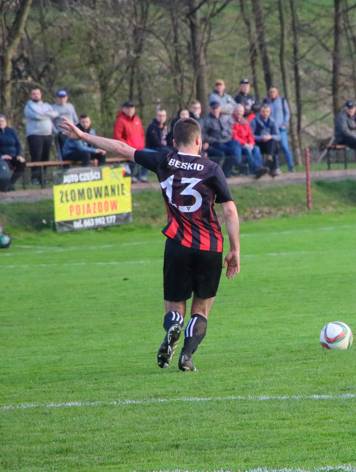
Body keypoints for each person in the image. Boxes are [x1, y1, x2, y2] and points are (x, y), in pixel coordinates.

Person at [58, 117, 240, 373]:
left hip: (178, 243)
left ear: (174, 142)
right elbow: (230, 211)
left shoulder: (164, 161)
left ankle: (174, 323)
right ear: (199, 140)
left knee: (175, 306)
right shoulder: (212, 168)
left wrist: (83, 136)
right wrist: (235, 250)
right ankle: (187, 356)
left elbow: (121, 147)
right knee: (201, 308)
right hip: (210, 246)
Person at [24, 87, 60, 184]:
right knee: (36, 156)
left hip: (47, 135)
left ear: (41, 95)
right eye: (33, 94)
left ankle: (43, 178)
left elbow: (55, 113)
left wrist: (44, 114)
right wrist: (47, 115)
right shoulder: (29, 106)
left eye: (37, 93)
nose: (36, 95)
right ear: (31, 95)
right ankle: (35, 178)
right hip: (35, 135)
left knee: (45, 157)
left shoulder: (46, 105)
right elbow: (36, 116)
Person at [201, 100, 242, 177]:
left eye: (217, 108)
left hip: (226, 141)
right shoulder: (205, 120)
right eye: (213, 108)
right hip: (215, 143)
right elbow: (202, 133)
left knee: (235, 143)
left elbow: (230, 130)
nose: (215, 110)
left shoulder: (224, 119)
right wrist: (206, 140)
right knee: (228, 151)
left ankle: (237, 162)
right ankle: (225, 172)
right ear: (210, 109)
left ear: (220, 109)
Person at [0, 114, 26, 191]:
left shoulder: (11, 131)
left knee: (22, 163)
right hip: (0, 156)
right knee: (4, 165)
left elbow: (17, 144)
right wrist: (1, 156)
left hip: (13, 155)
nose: (0, 123)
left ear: (6, 122)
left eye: (2, 121)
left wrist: (18, 155)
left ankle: (11, 183)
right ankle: (5, 186)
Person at [231, 104, 269, 178]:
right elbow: (234, 136)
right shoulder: (231, 122)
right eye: (237, 111)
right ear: (234, 112)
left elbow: (250, 134)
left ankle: (259, 167)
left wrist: (251, 143)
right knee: (247, 150)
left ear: (243, 112)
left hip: (248, 144)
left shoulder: (245, 122)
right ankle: (255, 169)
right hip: (239, 145)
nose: (239, 113)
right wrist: (245, 144)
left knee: (256, 149)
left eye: (241, 111)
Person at [112, 101, 146, 181]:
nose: (130, 110)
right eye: (128, 108)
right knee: (132, 157)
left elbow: (141, 134)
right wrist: (128, 145)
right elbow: (117, 137)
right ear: (123, 109)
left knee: (152, 155)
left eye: (132, 108)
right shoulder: (120, 121)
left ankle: (141, 175)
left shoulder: (137, 120)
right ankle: (131, 176)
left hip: (140, 148)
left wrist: (142, 144)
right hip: (127, 149)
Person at [265, 87, 294, 172]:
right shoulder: (266, 102)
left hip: (281, 129)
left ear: (277, 92)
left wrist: (284, 124)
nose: (272, 93)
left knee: (285, 147)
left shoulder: (282, 101)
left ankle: (291, 166)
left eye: (273, 92)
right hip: (272, 130)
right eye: (270, 92)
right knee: (274, 149)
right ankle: (276, 167)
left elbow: (287, 113)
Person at [334, 101, 356, 170]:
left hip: (355, 138)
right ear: (346, 109)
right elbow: (345, 131)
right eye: (349, 109)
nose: (350, 110)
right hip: (343, 138)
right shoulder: (341, 117)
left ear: (355, 109)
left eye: (352, 108)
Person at [250, 103, 280, 176]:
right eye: (263, 111)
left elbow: (278, 136)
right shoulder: (254, 121)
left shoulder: (272, 121)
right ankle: (272, 167)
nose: (265, 113)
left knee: (273, 142)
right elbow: (250, 135)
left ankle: (269, 161)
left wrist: (270, 136)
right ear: (260, 112)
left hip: (269, 143)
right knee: (273, 145)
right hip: (258, 142)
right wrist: (261, 138)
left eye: (267, 111)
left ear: (269, 112)